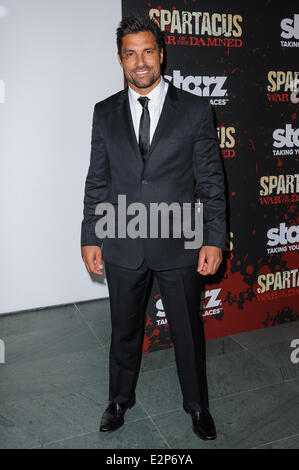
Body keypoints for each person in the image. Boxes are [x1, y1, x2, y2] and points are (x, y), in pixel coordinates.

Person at [81, 14, 226, 441]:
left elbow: (211, 181)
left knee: (187, 333)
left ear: (161, 53)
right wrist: (91, 235)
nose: (140, 62)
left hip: (179, 241)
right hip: (122, 241)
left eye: (147, 51)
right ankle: (119, 401)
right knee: (123, 330)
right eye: (130, 53)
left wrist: (214, 238)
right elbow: (98, 179)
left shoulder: (196, 110)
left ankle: (198, 407)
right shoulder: (104, 112)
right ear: (120, 59)